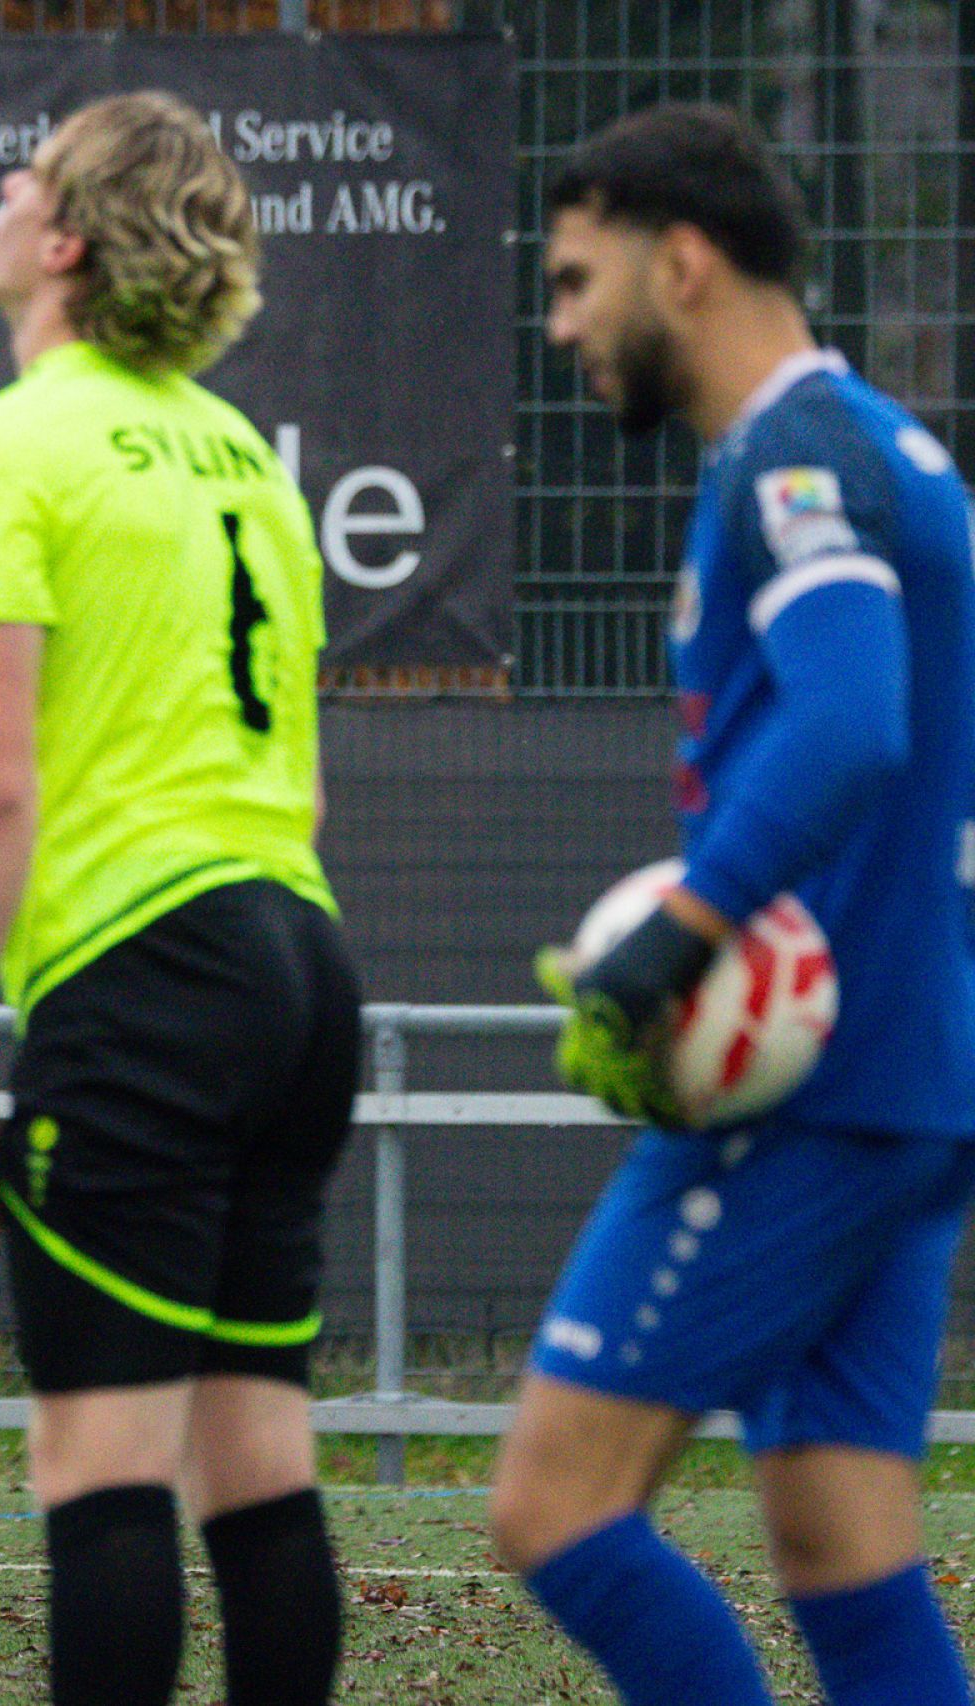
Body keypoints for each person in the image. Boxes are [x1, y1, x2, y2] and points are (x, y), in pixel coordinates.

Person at [498, 105, 975, 1706]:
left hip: (810, 1089)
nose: (562, 325)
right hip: (913, 1072)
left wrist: (681, 934)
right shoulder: (893, 449)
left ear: (683, 261)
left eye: (577, 280)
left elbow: (850, 721)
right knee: (843, 1550)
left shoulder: (795, 455)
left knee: (555, 1504)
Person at [0, 95, 356, 1706]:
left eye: (29, 174)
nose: (3, 186)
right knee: (258, 1464)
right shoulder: (249, 457)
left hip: (146, 970)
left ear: (68, 241)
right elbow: (302, 782)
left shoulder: (9, 441)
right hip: (298, 956)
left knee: (103, 1468)